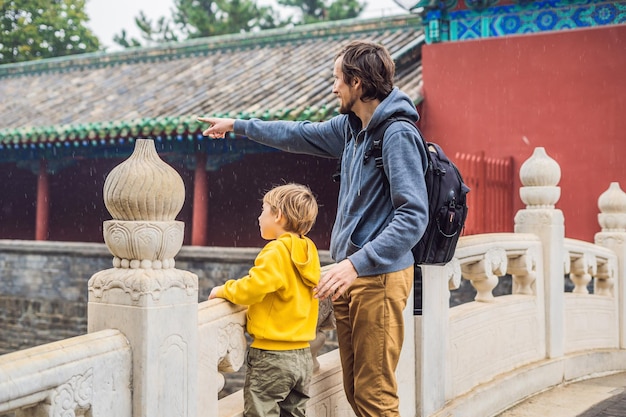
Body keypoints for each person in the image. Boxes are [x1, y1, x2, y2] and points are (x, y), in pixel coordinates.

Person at [200, 40, 429, 417]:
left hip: (378, 278)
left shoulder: (396, 134)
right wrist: (238, 126)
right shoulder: (351, 129)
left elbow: (413, 216)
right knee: (355, 388)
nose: (332, 87)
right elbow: (297, 134)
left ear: (357, 83)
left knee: (375, 396)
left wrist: (356, 264)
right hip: (347, 278)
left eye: (337, 79)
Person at [208, 183, 321, 417]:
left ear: (278, 215)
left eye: (263, 210)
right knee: (294, 413)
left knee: (261, 412)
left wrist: (225, 290)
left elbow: (253, 288)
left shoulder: (276, 251)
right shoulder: (309, 249)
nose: (259, 217)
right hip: (301, 355)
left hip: (272, 357)